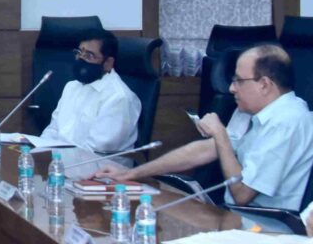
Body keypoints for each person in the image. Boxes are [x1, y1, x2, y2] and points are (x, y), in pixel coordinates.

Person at [95, 44, 313, 211]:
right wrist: (131, 173)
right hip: (237, 218)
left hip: (267, 228)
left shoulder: (287, 122)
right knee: (157, 208)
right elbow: (205, 150)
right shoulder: (251, 111)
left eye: (239, 81)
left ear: (264, 84)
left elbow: (242, 194)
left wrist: (220, 134)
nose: (231, 88)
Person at [41, 29, 141, 178]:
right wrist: (38, 152)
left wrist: (52, 161)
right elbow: (54, 130)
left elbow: (94, 151)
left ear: (108, 63)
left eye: (89, 55)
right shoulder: (72, 87)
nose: (81, 59)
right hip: (64, 167)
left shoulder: (119, 98)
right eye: (79, 52)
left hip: (102, 175)